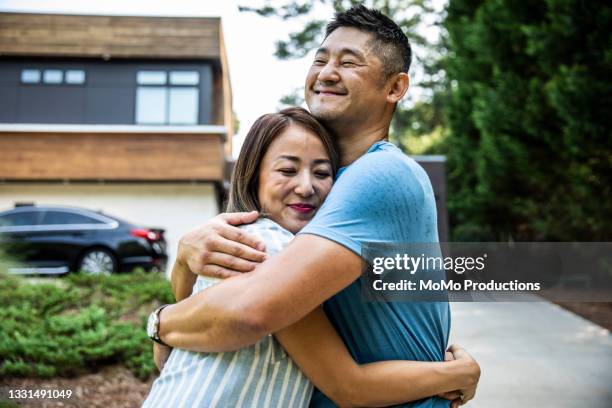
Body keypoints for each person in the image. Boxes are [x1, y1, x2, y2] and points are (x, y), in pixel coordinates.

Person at [152, 6, 480, 407]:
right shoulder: (322, 195)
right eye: (320, 59)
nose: (326, 73)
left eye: (349, 62)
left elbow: (250, 312)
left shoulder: (380, 174)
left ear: (394, 88)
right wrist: (185, 259)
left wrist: (159, 322)